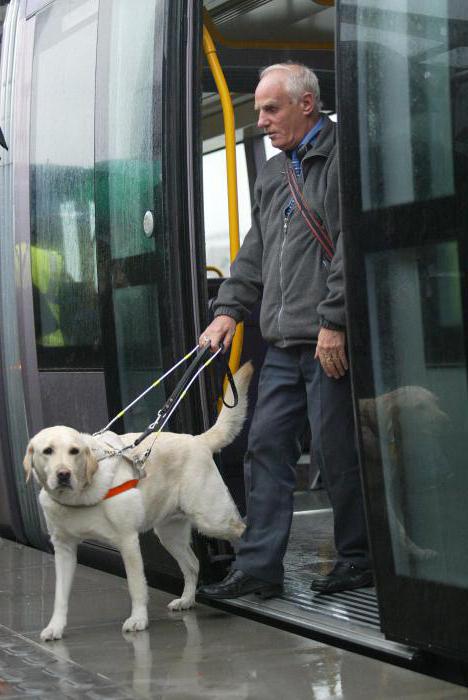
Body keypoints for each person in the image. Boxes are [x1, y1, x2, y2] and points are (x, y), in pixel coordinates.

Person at [197, 63, 372, 599]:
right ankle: (259, 569)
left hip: (325, 341)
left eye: (272, 110)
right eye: (259, 113)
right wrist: (228, 309)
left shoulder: (343, 158)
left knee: (337, 453)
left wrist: (334, 320)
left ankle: (358, 558)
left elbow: (350, 243)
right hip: (280, 344)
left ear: (307, 105)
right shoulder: (273, 174)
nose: (264, 122)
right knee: (265, 449)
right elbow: (255, 253)